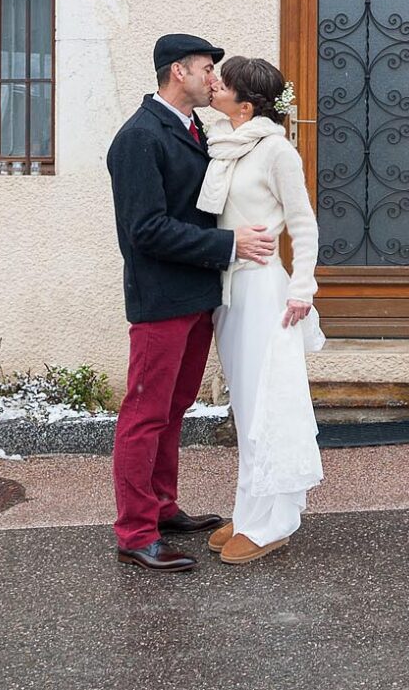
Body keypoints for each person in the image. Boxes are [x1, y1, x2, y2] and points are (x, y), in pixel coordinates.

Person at [107, 34, 277, 572]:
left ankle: (162, 507)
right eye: (207, 69)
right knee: (144, 415)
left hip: (196, 295)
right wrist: (228, 245)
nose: (214, 79)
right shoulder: (139, 137)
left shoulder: (195, 128)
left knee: (174, 408)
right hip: (161, 300)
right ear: (178, 72)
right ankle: (136, 532)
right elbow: (146, 230)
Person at [200, 56, 323, 565]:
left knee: (269, 405)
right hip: (231, 292)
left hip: (264, 293)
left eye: (223, 82)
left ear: (246, 106)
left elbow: (304, 224)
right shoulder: (223, 146)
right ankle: (250, 508)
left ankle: (274, 522)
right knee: (246, 407)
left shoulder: (276, 151)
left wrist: (301, 290)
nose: (213, 84)